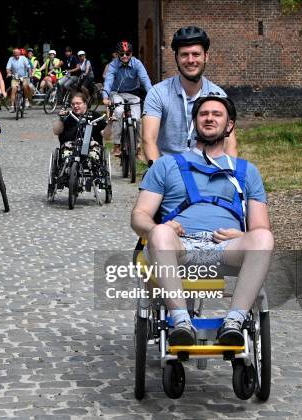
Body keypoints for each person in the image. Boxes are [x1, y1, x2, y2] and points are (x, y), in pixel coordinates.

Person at [131, 95, 273, 347]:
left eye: (217, 114)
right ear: (194, 122)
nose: (209, 118)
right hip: (180, 246)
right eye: (203, 114)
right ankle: (181, 322)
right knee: (161, 233)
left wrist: (242, 236)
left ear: (229, 125)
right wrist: (157, 228)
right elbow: (139, 215)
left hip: (226, 248)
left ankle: (234, 323)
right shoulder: (166, 165)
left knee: (263, 238)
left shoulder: (247, 171)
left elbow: (260, 227)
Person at [142, 26, 238, 165]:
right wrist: (158, 175)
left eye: (196, 54)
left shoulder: (218, 96)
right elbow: (148, 139)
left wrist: (231, 177)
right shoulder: (158, 93)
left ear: (206, 57)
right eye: (184, 55)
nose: (190, 60)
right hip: (168, 171)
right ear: (176, 58)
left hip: (205, 172)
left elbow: (230, 145)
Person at [102, 40, 152, 158]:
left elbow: (145, 80)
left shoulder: (137, 64)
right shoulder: (113, 64)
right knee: (118, 112)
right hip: (116, 93)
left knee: (137, 119)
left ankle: (138, 147)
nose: (125, 56)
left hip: (133, 93)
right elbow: (108, 81)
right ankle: (117, 145)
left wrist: (152, 95)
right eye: (122, 54)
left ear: (131, 53)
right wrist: (105, 97)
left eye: (127, 53)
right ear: (118, 54)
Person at [52, 92, 106, 162]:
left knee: (94, 156)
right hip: (70, 146)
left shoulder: (96, 117)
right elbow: (56, 131)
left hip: (91, 146)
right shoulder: (68, 115)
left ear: (85, 103)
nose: (75, 106)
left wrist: (110, 123)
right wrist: (61, 119)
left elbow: (107, 135)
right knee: (66, 157)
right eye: (73, 104)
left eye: (78, 103)